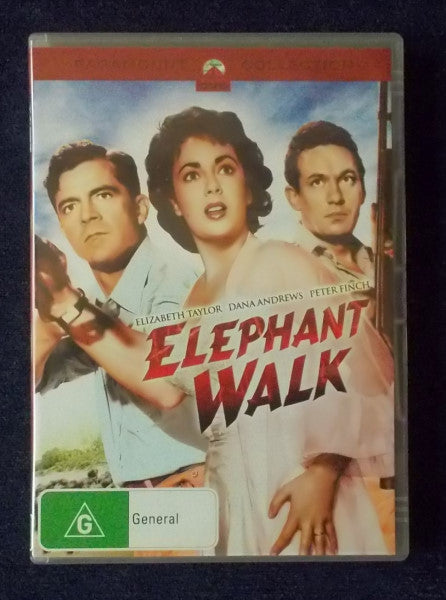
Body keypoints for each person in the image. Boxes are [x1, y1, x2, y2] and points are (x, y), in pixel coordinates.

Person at [36, 109, 394, 557]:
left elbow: (367, 382)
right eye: (191, 175)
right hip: (231, 502)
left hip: (300, 500)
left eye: (225, 168)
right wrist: (60, 302)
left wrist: (323, 473)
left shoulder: (281, 261)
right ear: (172, 201)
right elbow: (163, 378)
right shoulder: (196, 299)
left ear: (248, 185)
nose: (211, 186)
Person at [35, 141, 207, 490]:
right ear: (62, 226)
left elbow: (167, 383)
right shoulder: (95, 307)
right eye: (69, 206)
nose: (87, 215)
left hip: (194, 487)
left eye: (103, 195)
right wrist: (47, 309)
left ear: (140, 208)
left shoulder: (179, 279)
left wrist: (64, 302)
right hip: (139, 498)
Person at [284, 120, 395, 550]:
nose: (335, 197)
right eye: (317, 182)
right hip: (330, 481)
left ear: (364, 189)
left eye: (347, 178)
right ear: (294, 197)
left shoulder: (386, 263)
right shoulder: (280, 271)